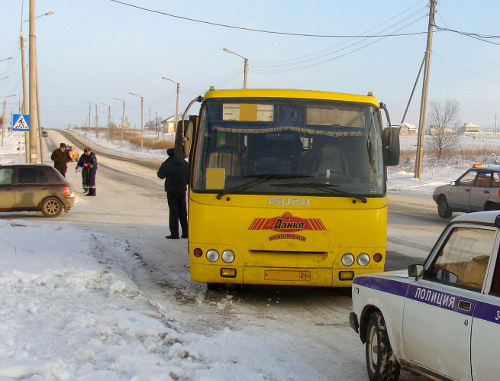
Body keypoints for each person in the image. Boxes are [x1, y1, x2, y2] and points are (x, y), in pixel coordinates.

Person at [157, 148, 189, 239]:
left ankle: (174, 234)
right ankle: (186, 233)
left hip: (171, 190)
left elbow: (160, 175)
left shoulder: (167, 163)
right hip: (182, 190)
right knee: (183, 211)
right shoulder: (185, 164)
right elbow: (190, 176)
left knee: (173, 212)